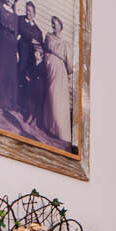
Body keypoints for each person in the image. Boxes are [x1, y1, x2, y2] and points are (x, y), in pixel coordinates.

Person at [17, 0, 47, 137]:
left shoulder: (38, 31)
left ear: (34, 14)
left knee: (29, 85)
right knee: (19, 78)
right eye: (27, 10)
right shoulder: (21, 20)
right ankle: (16, 103)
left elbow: (39, 45)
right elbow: (21, 32)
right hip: (21, 55)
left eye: (30, 11)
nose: (28, 12)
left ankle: (27, 110)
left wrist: (36, 48)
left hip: (32, 61)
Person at [44, 15, 73, 148]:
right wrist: (48, 62)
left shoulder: (65, 43)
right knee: (51, 96)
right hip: (50, 70)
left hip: (60, 72)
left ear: (61, 26)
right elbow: (45, 51)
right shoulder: (48, 37)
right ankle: (50, 127)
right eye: (53, 24)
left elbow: (70, 64)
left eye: (57, 24)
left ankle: (59, 131)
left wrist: (67, 72)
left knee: (59, 99)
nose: (54, 26)